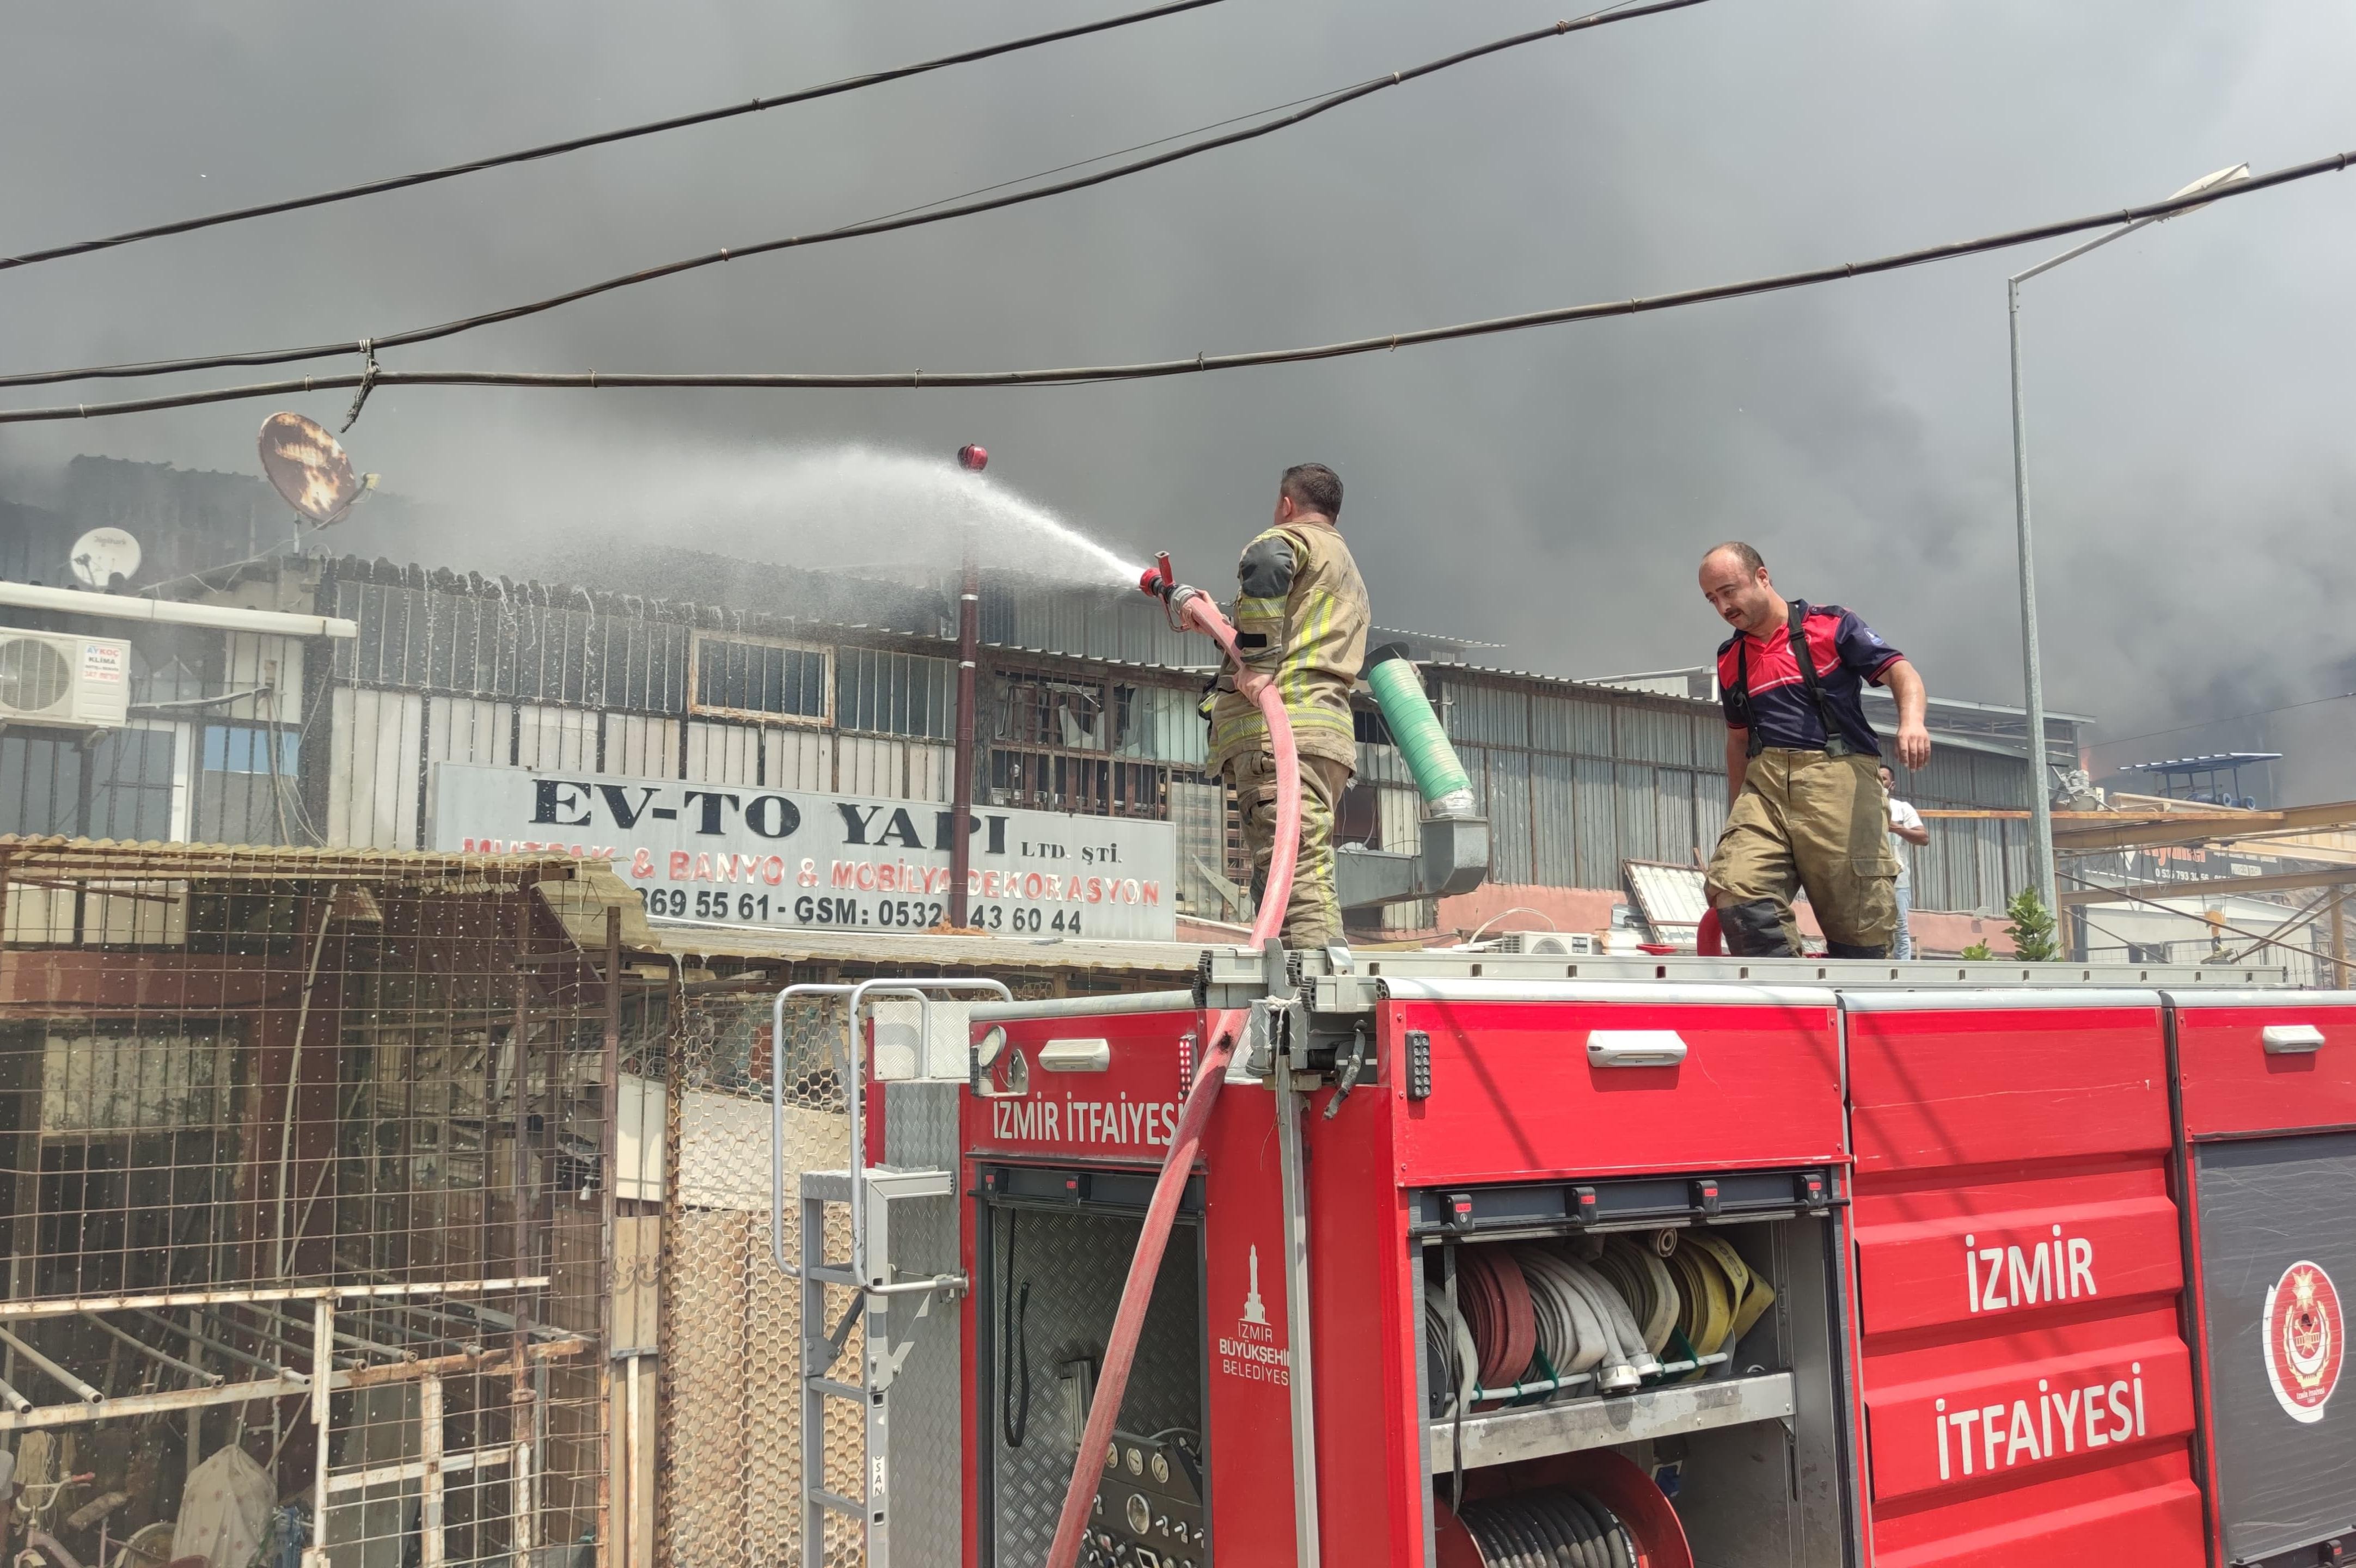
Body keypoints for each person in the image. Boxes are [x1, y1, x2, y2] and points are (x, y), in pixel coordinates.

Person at [1698, 542, 1930, 958]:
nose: (1722, 606)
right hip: (1765, 787)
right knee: (1734, 885)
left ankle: (1856, 1006)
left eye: (1728, 591)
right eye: (1712, 598)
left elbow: (1900, 671)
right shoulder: (1731, 657)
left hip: (1838, 781)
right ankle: (1788, 1001)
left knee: (1859, 924)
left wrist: (1911, 721)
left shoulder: (1830, 625)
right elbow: (1737, 741)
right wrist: (1735, 815)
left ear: (1762, 578)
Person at [1205, 463, 1369, 948]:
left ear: (1287, 505)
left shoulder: (1291, 540)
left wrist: (1254, 660)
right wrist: (1221, 626)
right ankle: (1287, 980)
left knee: (1294, 873)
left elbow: (1267, 563)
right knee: (1288, 870)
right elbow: (1298, 636)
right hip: (1323, 737)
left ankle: (1314, 993)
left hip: (1281, 736)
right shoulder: (1344, 570)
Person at [1881, 763, 1929, 959]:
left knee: (1900, 928)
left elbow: (1924, 838)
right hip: (1867, 880)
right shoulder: (1859, 808)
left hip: (1897, 881)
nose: (1879, 782)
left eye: (1883, 778)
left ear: (1892, 784)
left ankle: (1903, 972)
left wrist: (1896, 828)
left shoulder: (1901, 808)